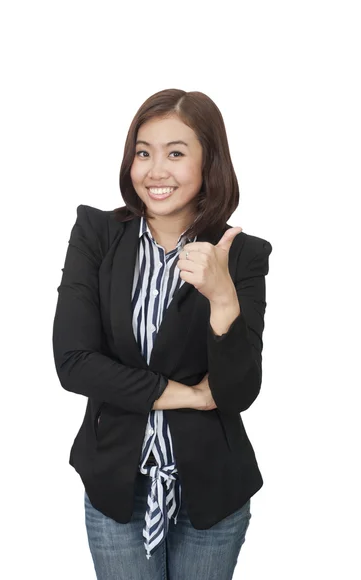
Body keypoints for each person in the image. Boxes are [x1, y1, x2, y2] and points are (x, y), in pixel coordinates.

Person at [52, 88, 273, 579]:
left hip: (212, 494)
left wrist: (222, 298)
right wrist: (191, 397)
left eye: (176, 153)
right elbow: (73, 362)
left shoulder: (242, 255)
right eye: (143, 152)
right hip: (118, 488)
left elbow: (238, 392)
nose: (156, 170)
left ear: (209, 160)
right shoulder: (97, 234)